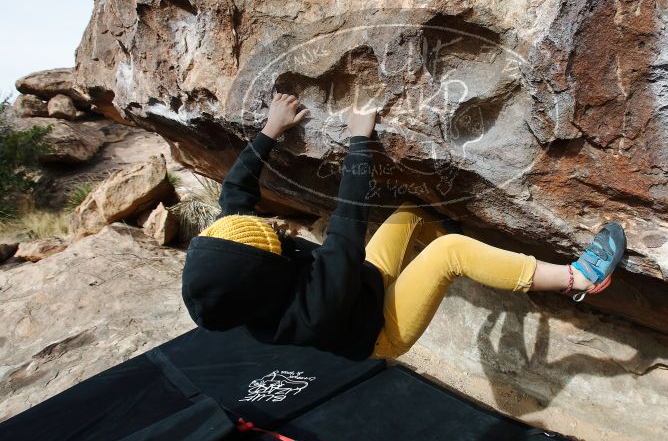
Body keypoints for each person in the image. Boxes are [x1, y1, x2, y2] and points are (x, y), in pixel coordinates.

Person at [181, 93, 626, 360]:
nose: (275, 226)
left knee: (414, 213)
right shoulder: (313, 308)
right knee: (448, 252)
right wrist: (360, 138)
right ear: (265, 275)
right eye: (272, 239)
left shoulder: (235, 259)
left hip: (364, 283)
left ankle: (483, 262)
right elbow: (347, 219)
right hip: (380, 329)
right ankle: (578, 279)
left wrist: (269, 130)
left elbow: (235, 193)